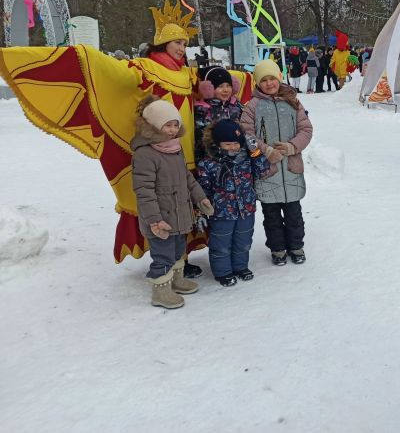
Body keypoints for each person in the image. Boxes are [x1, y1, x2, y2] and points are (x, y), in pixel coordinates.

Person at [0, 0, 206, 265]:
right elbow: (114, 74)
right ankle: (167, 265)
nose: (182, 48)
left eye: (185, 44)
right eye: (177, 43)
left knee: (183, 204)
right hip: (158, 153)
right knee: (162, 204)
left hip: (184, 152)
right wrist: (86, 57)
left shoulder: (188, 73)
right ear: (163, 44)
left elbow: (213, 85)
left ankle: (182, 259)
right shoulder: (144, 68)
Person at [131, 95, 214, 308]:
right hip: (161, 218)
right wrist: (155, 220)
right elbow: (144, 190)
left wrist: (200, 198)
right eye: (168, 125)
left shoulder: (174, 147)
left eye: (175, 124)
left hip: (180, 212)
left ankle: (176, 281)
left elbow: (186, 177)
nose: (172, 129)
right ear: (155, 125)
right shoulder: (145, 154)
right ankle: (161, 291)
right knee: (163, 255)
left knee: (178, 250)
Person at [240, 60, 313, 266]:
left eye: (272, 78)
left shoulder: (293, 102)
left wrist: (292, 147)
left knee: (294, 214)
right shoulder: (252, 106)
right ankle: (278, 249)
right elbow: (247, 134)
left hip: (291, 169)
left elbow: (306, 130)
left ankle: (296, 246)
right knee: (271, 216)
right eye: (264, 80)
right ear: (257, 83)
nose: (269, 83)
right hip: (267, 171)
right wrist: (266, 151)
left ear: (279, 78)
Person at [195, 119, 271, 286]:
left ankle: (240, 267)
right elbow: (203, 189)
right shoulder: (208, 163)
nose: (233, 147)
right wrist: (201, 210)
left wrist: (255, 152)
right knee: (221, 243)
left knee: (243, 241)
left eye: (236, 143)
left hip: (246, 208)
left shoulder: (247, 158)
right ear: (217, 143)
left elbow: (263, 170)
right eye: (228, 144)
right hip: (222, 212)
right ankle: (223, 272)